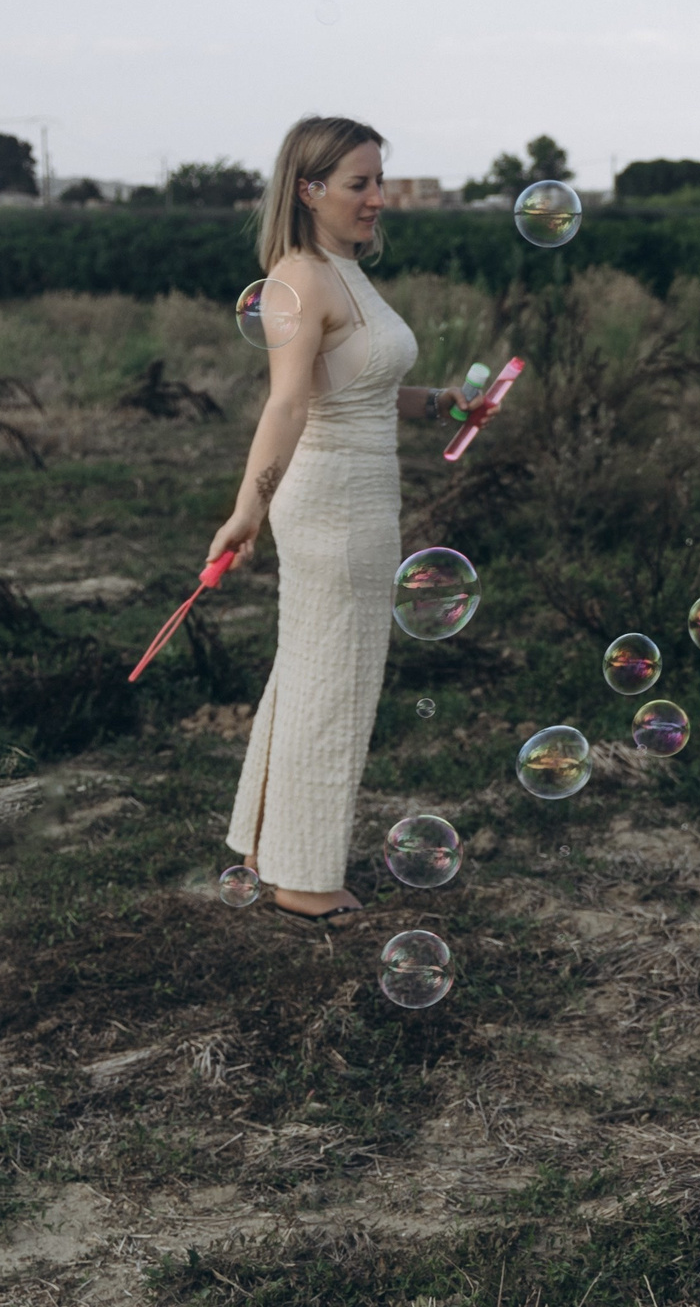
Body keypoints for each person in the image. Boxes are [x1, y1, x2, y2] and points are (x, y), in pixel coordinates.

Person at [212, 116, 495, 922]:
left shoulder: (344, 270)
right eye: (359, 184)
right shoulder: (299, 279)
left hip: (365, 500)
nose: (378, 198)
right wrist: (246, 511)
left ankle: (273, 852)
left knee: (315, 677)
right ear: (310, 191)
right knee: (330, 686)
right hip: (331, 505)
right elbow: (290, 402)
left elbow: (359, 386)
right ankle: (303, 880)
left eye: (380, 180)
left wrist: (442, 401)